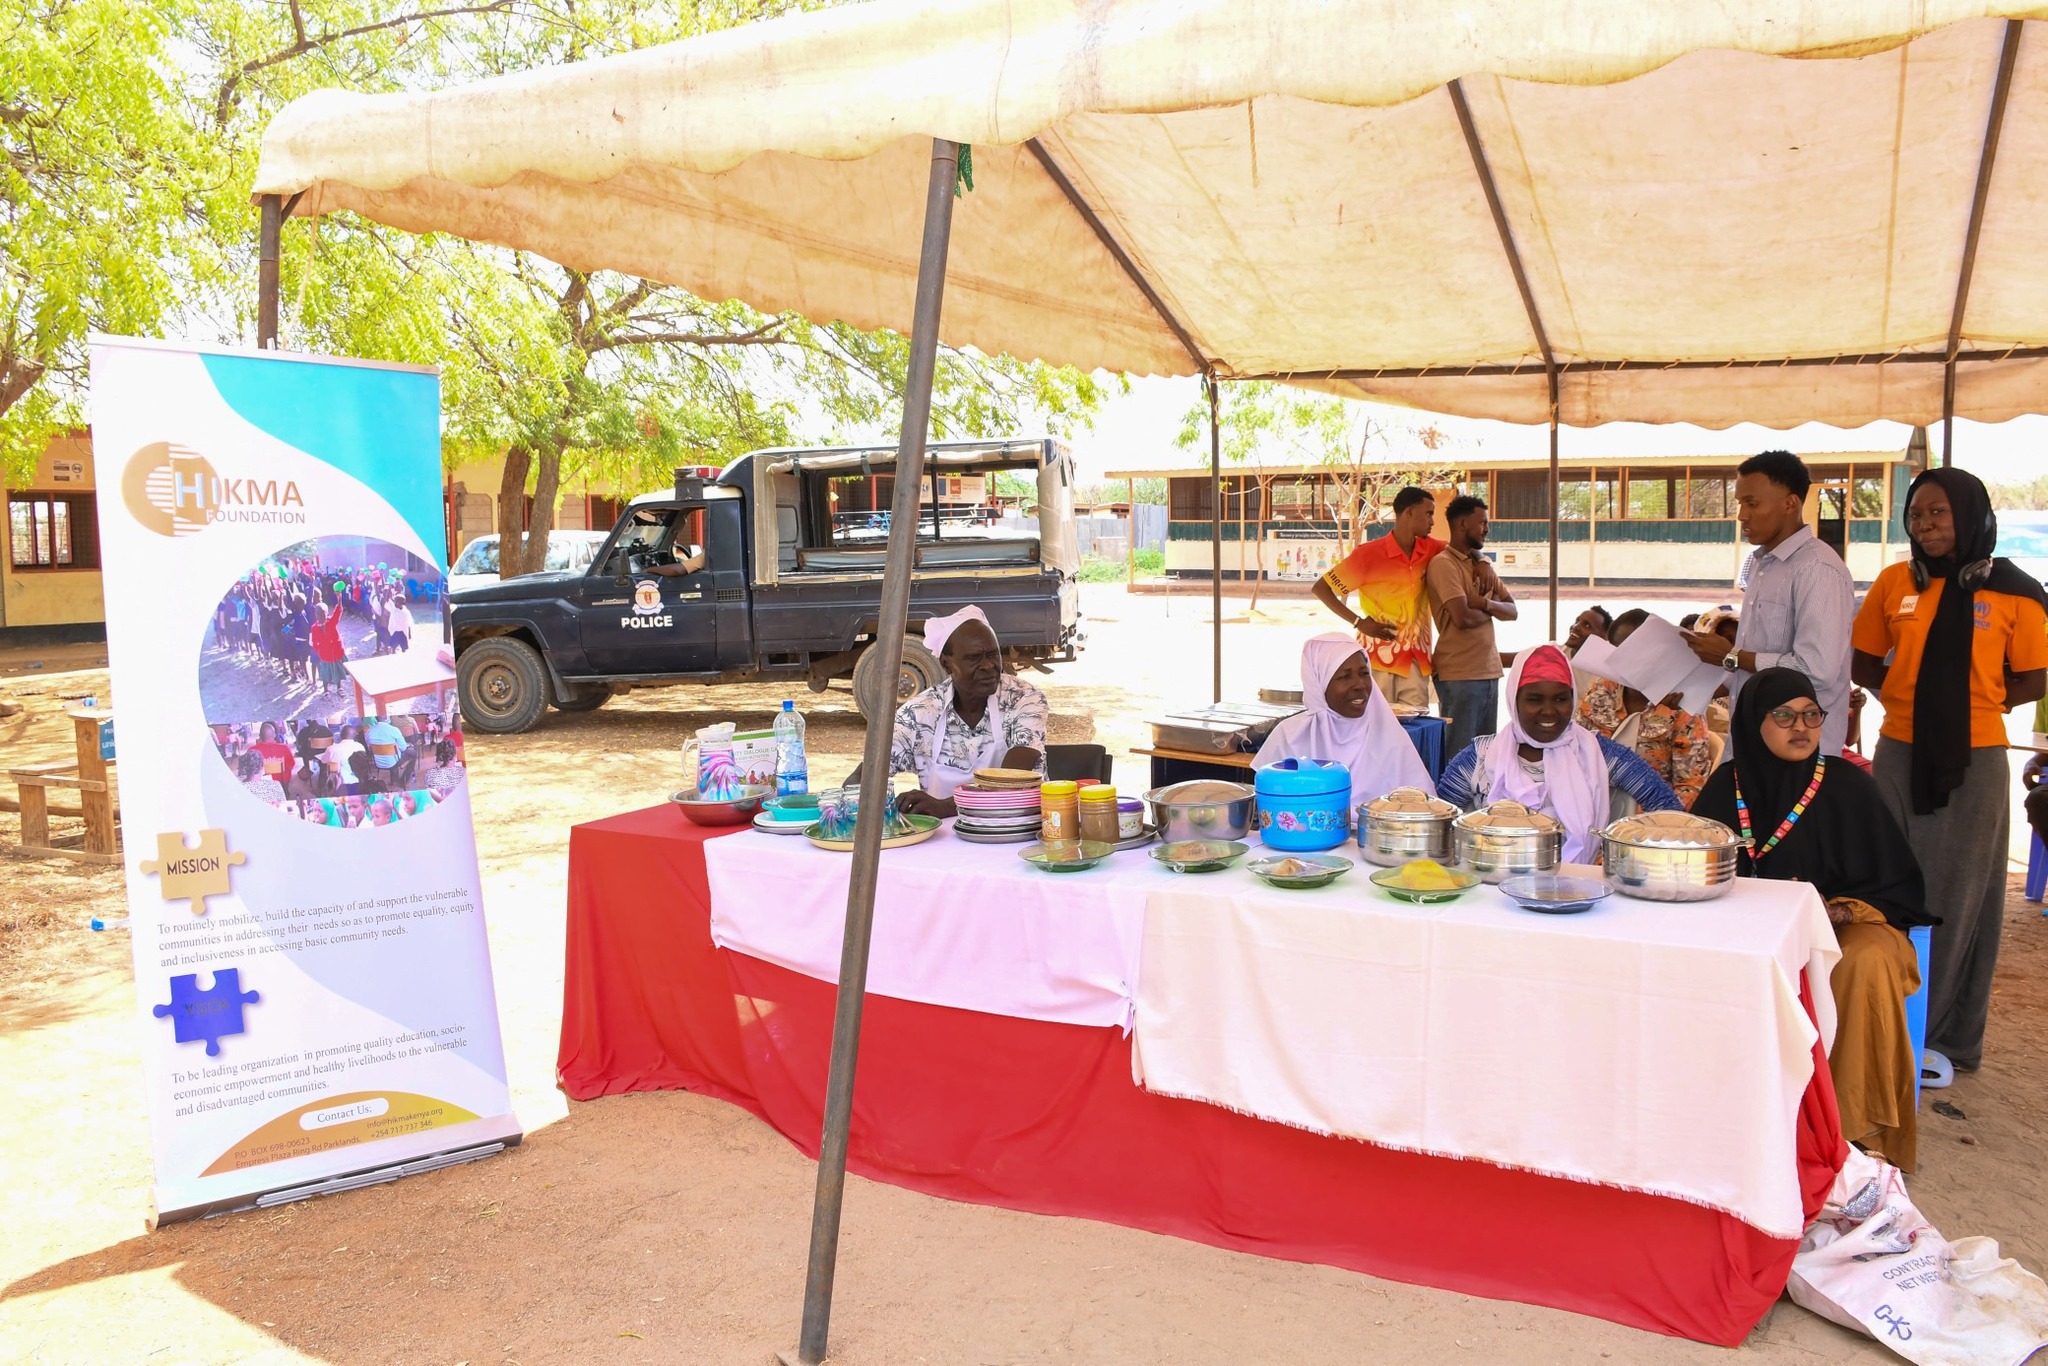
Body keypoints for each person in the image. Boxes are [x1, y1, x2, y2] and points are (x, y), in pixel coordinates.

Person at [1850, 467, 2048, 1081]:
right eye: (1915, 515)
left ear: (1970, 514)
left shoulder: (2015, 591)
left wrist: (1965, 705)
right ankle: (1886, 1019)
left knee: (1960, 896)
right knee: (1887, 881)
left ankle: (1940, 1036)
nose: (1925, 525)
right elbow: (1863, 662)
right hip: (1898, 751)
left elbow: (2035, 678)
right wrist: (1914, 698)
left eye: (1938, 512)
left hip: (1975, 757)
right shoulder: (1895, 582)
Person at [1693, 668, 1933, 1170]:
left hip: (1852, 924)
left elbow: (1898, 888)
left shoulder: (1847, 785)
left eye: (1811, 715)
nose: (1801, 727)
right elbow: (1697, 870)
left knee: (1864, 963)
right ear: (1754, 722)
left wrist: (1832, 912)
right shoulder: (1725, 787)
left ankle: (1850, 1135)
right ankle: (1726, 1124)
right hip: (1747, 927)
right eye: (1783, 716)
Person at [1438, 644, 1681, 860]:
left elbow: (1668, 811)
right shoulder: (1480, 757)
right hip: (1491, 884)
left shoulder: (1599, 753)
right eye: (1534, 699)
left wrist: (1629, 861)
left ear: (1573, 699)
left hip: (1578, 885)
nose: (1548, 711)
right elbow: (1439, 822)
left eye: (1560, 699)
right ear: (1514, 701)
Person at [1686, 451, 1855, 757]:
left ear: (1790, 504)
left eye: (1752, 503)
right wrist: (1691, 690)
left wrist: (1731, 657)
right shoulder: (1761, 564)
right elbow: (1752, 660)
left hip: (1798, 752)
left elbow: (1816, 669)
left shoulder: (1817, 569)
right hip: (1752, 739)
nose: (1742, 515)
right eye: (1740, 503)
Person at [850, 606, 1049, 818]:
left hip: (1017, 828)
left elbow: (1013, 776)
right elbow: (866, 774)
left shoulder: (1024, 698)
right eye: (974, 657)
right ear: (947, 665)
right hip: (942, 836)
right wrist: (860, 803)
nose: (988, 665)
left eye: (993, 654)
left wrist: (947, 807)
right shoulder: (920, 713)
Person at [1255, 634, 1434, 810]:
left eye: (1364, 674)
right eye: (1344, 677)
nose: (1360, 685)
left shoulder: (1390, 738)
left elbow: (1423, 806)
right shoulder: (1289, 736)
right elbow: (1266, 806)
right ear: (1319, 684)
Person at [1314, 486, 1443, 709]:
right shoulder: (1368, 555)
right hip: (1376, 661)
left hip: (1416, 662)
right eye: (1428, 514)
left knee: (1415, 725)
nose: (1432, 521)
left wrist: (1481, 562)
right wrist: (1358, 622)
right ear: (1409, 512)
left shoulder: (1432, 549)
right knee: (1375, 723)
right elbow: (1321, 588)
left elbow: (1464, 551)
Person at [1575, 609, 1715, 809]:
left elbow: (1690, 785)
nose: (1632, 664)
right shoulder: (1601, 690)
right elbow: (1575, 749)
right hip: (1592, 804)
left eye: (1641, 653)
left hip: (1655, 812)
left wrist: (1653, 821)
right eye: (1622, 655)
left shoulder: (1683, 705)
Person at [1425, 494, 1516, 760]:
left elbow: (1512, 611)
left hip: (1489, 672)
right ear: (1463, 524)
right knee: (1459, 757)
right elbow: (1462, 618)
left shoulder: (1482, 565)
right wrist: (1492, 607)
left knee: (1486, 757)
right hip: (1459, 675)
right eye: (1482, 523)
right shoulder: (1443, 564)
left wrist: (1484, 603)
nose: (1487, 529)